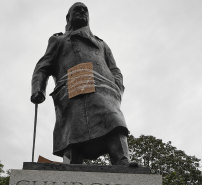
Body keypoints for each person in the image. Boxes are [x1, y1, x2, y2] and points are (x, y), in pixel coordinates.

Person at [31, 2, 131, 165]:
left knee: (115, 120)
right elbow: (43, 66)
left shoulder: (101, 43)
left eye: (85, 10)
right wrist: (38, 89)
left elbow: (115, 69)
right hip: (74, 87)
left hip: (104, 89)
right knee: (74, 130)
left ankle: (122, 160)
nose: (82, 12)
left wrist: (117, 86)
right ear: (68, 17)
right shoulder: (59, 40)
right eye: (77, 9)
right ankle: (73, 164)